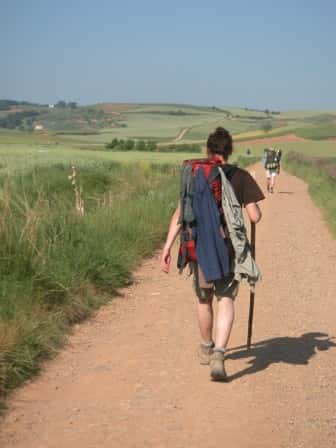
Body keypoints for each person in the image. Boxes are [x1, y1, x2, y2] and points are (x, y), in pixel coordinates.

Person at [160, 127, 264, 381]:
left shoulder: (195, 174)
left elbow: (180, 214)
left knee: (204, 299)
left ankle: (206, 347)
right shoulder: (239, 176)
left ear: (208, 150)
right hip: (227, 249)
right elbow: (254, 216)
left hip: (199, 249)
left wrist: (166, 248)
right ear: (229, 150)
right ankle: (219, 353)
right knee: (225, 299)